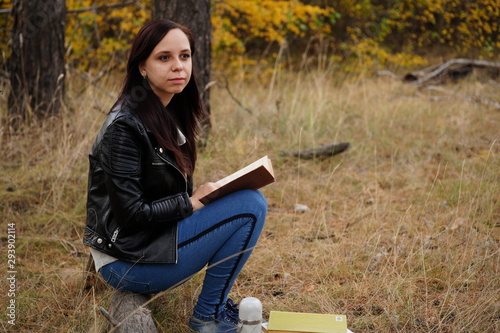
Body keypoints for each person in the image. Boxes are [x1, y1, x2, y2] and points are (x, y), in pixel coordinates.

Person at [83, 19, 267, 333]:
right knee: (251, 205)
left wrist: (206, 198)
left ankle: (213, 311)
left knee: (245, 198)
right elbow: (130, 215)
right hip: (125, 262)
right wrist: (192, 203)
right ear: (142, 66)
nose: (178, 66)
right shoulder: (124, 127)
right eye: (164, 57)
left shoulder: (166, 111)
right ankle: (209, 318)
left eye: (184, 56)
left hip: (145, 244)